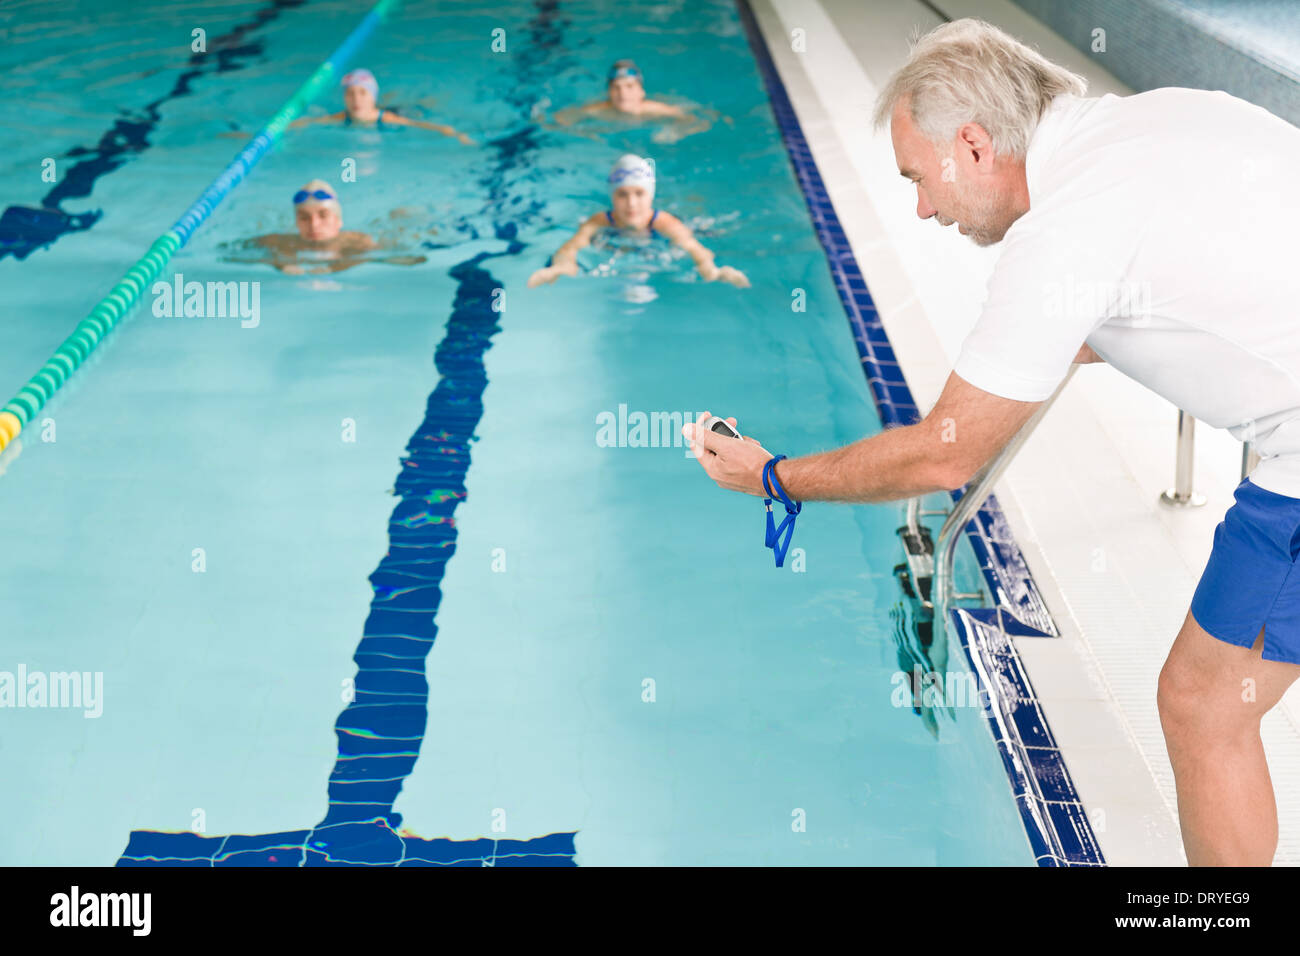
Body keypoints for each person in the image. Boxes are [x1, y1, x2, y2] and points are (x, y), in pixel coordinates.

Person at [682, 18, 1300, 867]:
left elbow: (946, 453)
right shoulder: (1153, 121)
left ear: (973, 144)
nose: (922, 208)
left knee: (1202, 708)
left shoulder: (1065, 233)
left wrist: (775, 476)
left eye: (919, 179)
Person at [528, 154, 748, 288]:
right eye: (622, 194)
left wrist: (713, 271)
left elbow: (694, 248)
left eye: (639, 194)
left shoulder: (666, 223)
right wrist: (559, 268)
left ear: (650, 196)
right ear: (612, 197)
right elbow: (572, 246)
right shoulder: (600, 221)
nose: (631, 203)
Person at [235, 179, 424, 274]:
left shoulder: (356, 241)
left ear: (338, 221)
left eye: (323, 215)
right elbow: (228, 253)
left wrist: (335, 268)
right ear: (296, 222)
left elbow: (414, 259)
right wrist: (280, 264)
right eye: (304, 218)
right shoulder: (278, 242)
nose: (314, 225)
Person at [288, 69, 474, 144]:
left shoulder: (386, 118)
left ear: (372, 97)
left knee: (418, 108)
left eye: (362, 93)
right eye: (350, 94)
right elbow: (310, 121)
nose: (356, 100)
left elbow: (418, 124)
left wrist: (453, 132)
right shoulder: (341, 117)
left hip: (397, 113)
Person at [549, 60, 710, 141]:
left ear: (641, 92)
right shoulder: (598, 111)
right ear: (609, 93)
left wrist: (673, 132)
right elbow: (553, 122)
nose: (623, 93)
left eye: (629, 86)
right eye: (616, 88)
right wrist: (585, 133)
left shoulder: (655, 110)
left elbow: (702, 121)